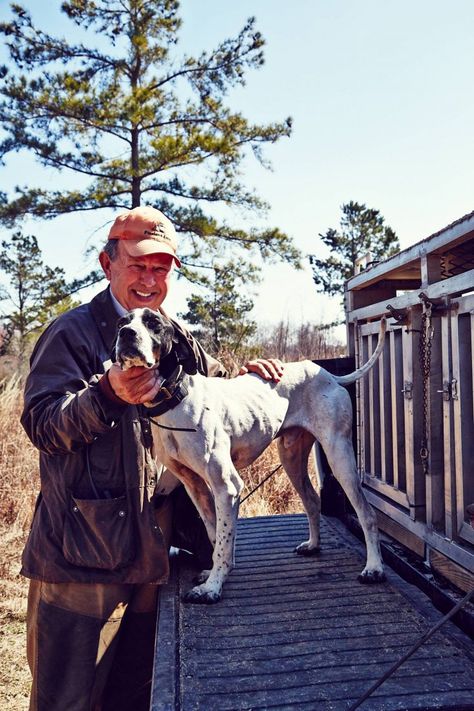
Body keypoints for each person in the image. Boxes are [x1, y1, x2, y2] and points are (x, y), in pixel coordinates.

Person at [21, 205, 283, 711]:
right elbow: (43, 426)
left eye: (160, 267)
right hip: (84, 556)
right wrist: (106, 395)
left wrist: (252, 377)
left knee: (139, 693)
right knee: (67, 700)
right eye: (137, 264)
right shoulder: (71, 334)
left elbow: (208, 403)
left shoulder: (174, 334)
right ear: (107, 263)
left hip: (157, 551)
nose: (149, 278)